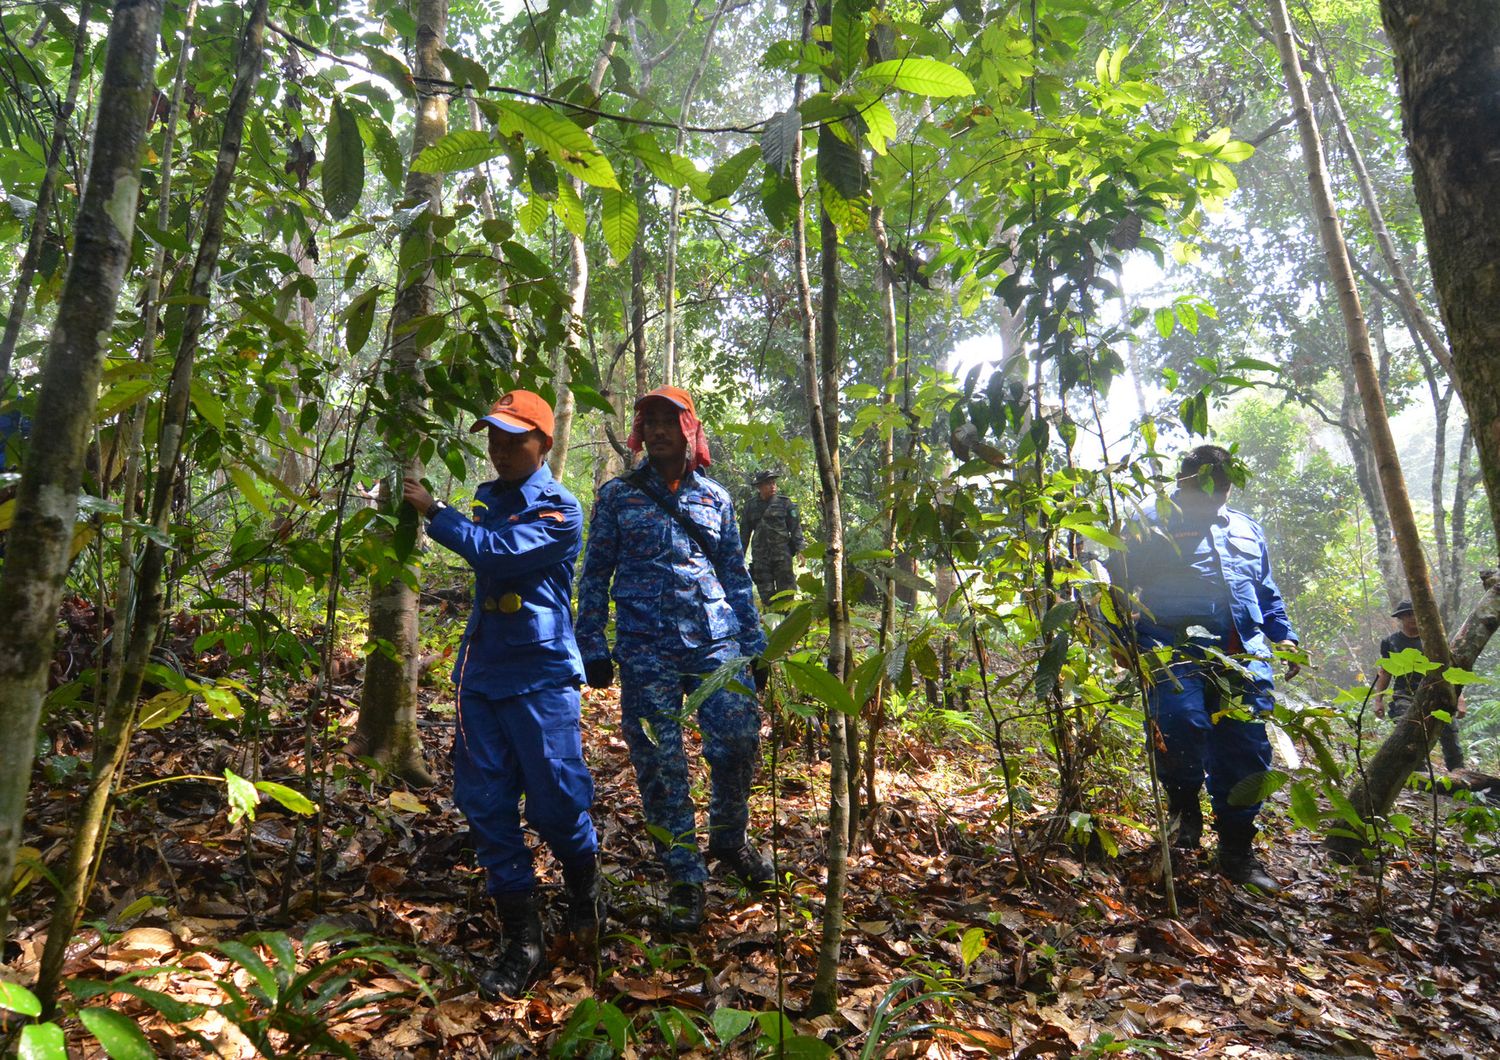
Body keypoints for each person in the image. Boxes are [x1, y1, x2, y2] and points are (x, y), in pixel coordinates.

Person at [402, 390, 598, 999]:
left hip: (540, 675)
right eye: (494, 437)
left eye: (517, 438)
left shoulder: (561, 510)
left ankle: (586, 889)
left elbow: (499, 556)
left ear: (543, 442)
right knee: (485, 804)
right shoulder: (487, 500)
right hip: (483, 673)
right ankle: (523, 936)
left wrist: (435, 511)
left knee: (557, 801)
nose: (503, 449)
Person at [576, 385, 772, 932]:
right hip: (645, 647)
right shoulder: (616, 497)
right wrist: (591, 642)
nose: (659, 430)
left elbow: (735, 575)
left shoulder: (718, 500)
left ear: (690, 431)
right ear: (641, 433)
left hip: (716, 643)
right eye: (650, 421)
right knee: (660, 764)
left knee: (737, 741)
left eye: (670, 420)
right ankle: (685, 875)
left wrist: (754, 646)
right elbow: (594, 574)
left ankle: (731, 840)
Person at [1109, 444, 1301, 894]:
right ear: (1184, 481)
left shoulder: (1248, 529)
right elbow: (1113, 583)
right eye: (1205, 485)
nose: (1217, 494)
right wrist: (1121, 638)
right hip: (1171, 647)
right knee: (1179, 721)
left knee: (1246, 747)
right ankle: (1183, 803)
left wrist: (1283, 634)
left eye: (1225, 485)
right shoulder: (1148, 523)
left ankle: (1236, 850)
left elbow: (1266, 589)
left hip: (1245, 655)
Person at [1373, 600, 1465, 770]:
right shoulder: (1390, 642)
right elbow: (1385, 672)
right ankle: (1417, 774)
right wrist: (1378, 700)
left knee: (1449, 733)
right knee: (1406, 730)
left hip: (1436, 692)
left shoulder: (1434, 640)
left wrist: (1459, 699)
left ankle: (1459, 774)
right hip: (1404, 694)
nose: (1412, 618)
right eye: (1408, 614)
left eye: (1415, 613)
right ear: (1400, 617)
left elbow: (1449, 669)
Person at [739, 469, 804, 606]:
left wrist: (800, 550)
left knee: (787, 596)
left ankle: (789, 624)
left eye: (774, 483)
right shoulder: (750, 506)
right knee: (767, 597)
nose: (773, 486)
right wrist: (738, 560)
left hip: (782, 557)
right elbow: (744, 535)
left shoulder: (785, 503)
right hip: (761, 559)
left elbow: (795, 528)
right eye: (768, 483)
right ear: (759, 487)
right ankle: (772, 624)